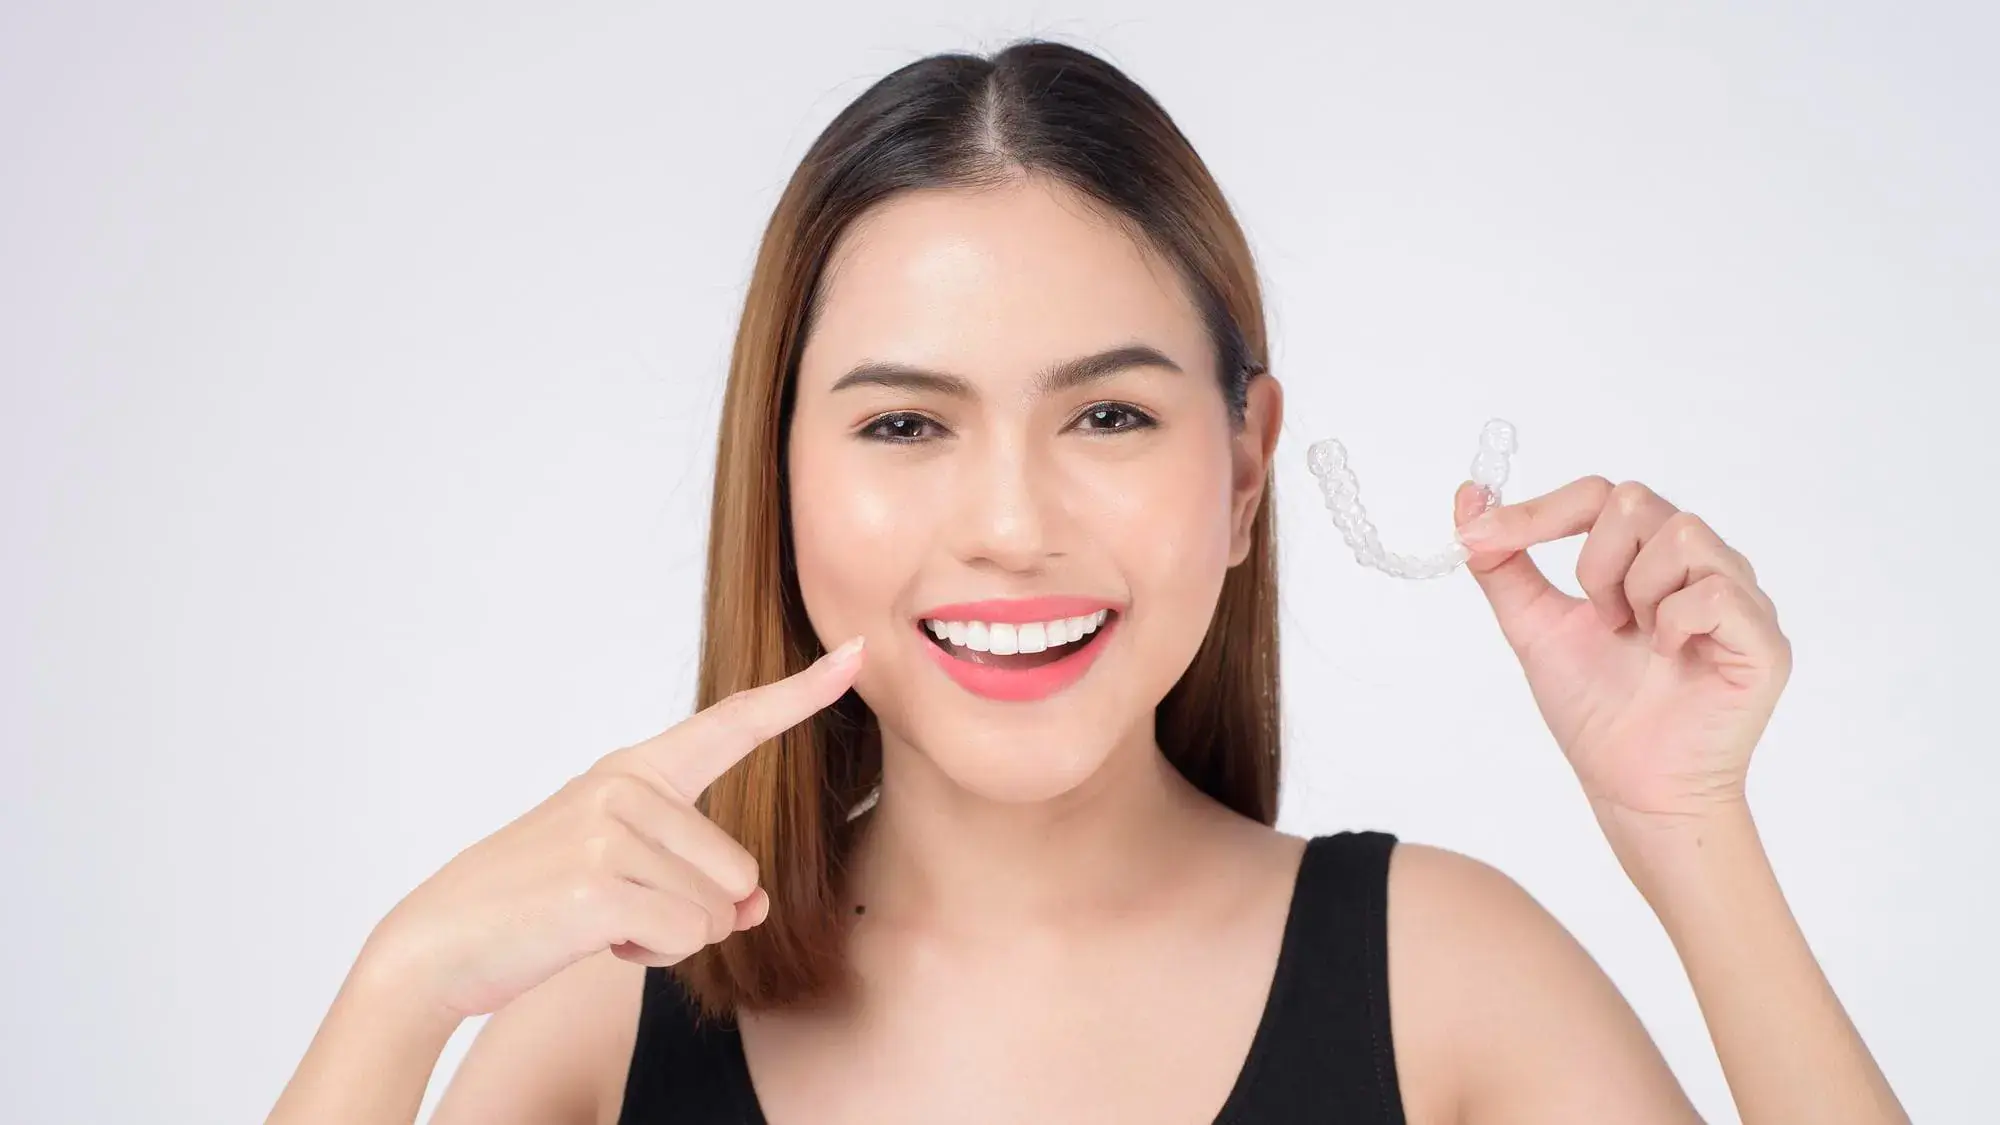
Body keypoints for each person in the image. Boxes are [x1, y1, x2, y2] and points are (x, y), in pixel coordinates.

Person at [265, 39, 1908, 1125]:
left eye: (1109, 414)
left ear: (1247, 467)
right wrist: (399, 989)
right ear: (778, 476)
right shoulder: (604, 1035)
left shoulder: (1446, 981)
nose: (1009, 522)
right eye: (905, 421)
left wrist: (1693, 837)